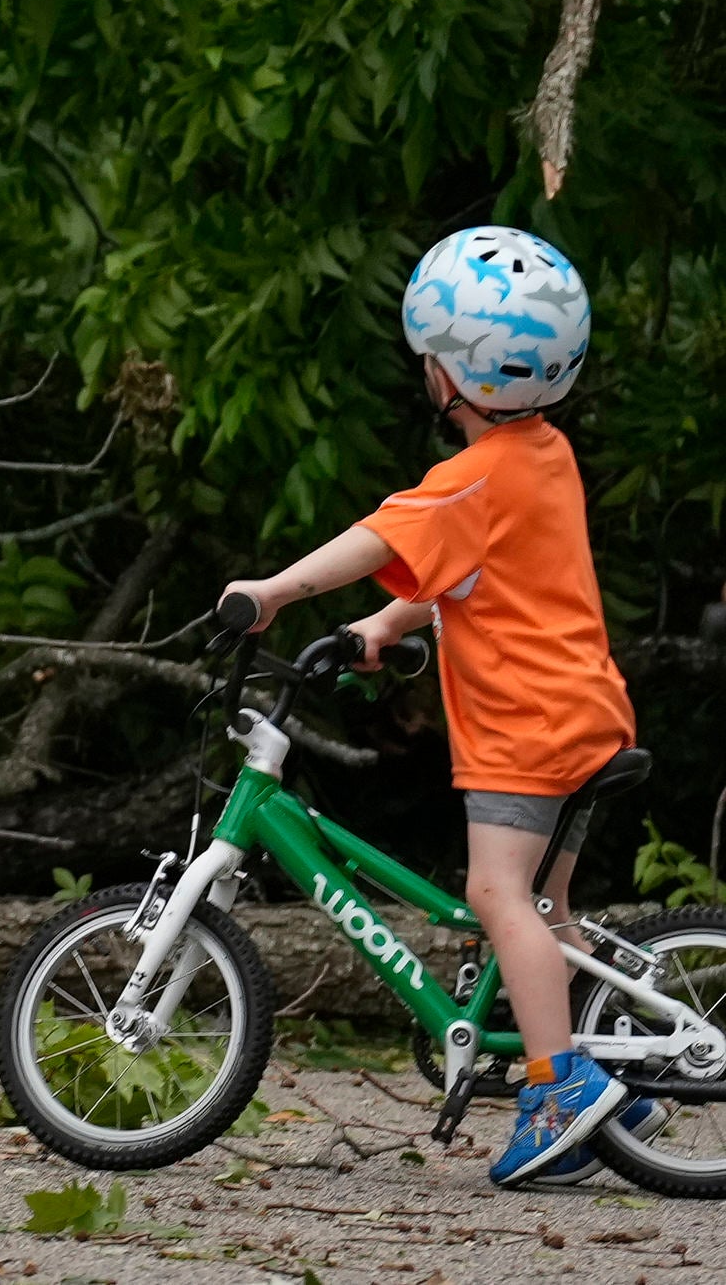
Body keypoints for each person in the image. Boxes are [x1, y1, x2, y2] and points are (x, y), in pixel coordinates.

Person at [223, 224, 641, 1185]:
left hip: (524, 733)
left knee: (499, 896)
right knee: (550, 907)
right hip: (584, 712)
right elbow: (469, 568)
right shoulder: (542, 456)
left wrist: (275, 593)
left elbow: (380, 537)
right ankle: (607, 1079)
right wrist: (384, 625)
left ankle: (561, 1086)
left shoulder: (468, 477)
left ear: (451, 374)